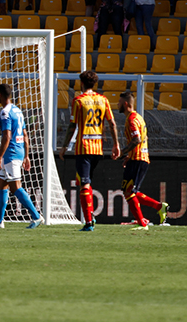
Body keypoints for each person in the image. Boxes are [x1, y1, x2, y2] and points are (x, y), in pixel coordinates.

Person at [58, 70, 120, 232]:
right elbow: (112, 124)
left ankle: (89, 221)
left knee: (84, 184)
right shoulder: (103, 100)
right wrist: (116, 144)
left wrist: (64, 146)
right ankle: (90, 216)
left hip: (83, 148)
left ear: (82, 83)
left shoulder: (78, 101)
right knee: (86, 183)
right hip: (98, 149)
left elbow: (72, 126)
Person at [0, 84, 43, 229]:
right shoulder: (17, 110)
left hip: (11, 153)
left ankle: (36, 216)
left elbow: (7, 136)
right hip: (19, 150)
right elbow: (25, 135)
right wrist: (26, 156)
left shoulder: (5, 112)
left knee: (15, 187)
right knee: (1, 184)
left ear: (0, 94)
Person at [115, 92, 169, 230]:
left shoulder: (132, 119)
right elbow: (145, 138)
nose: (117, 104)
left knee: (129, 192)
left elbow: (137, 140)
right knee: (129, 191)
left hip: (138, 159)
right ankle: (158, 207)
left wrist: (123, 152)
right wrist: (129, 156)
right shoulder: (139, 117)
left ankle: (142, 222)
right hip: (137, 158)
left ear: (125, 104)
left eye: (119, 102)